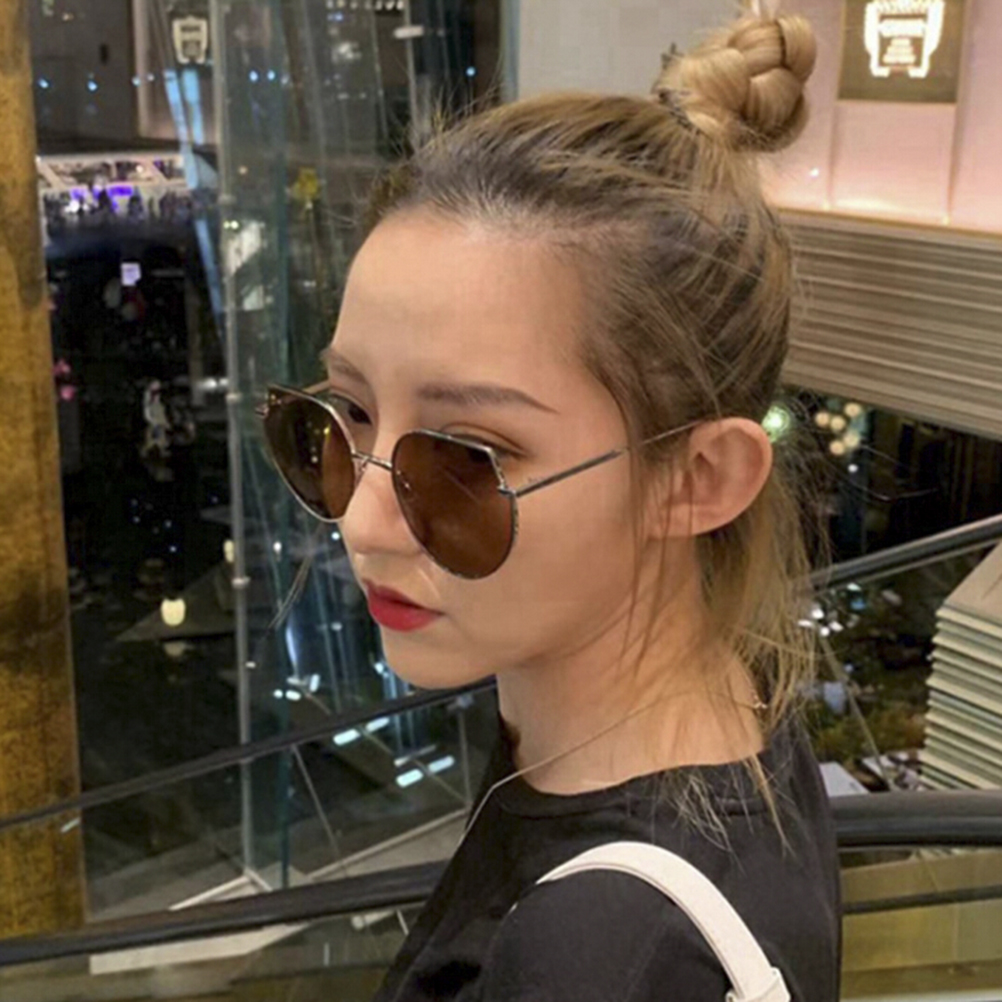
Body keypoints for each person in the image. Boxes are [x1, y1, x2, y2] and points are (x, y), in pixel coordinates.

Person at [261, 6, 840, 1000]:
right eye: (346, 414)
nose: (360, 522)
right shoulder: (731, 703)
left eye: (468, 459)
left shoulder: (605, 957)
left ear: (699, 479)